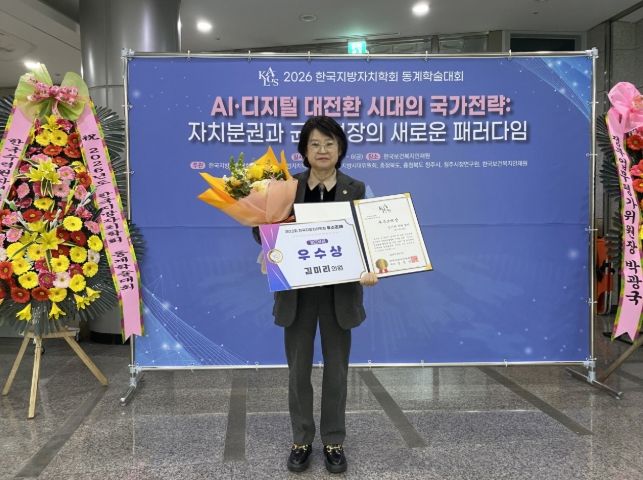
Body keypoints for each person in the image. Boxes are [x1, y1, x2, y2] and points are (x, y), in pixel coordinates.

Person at [255, 116, 378, 473]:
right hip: (297, 296)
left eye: (329, 143)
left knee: (337, 372)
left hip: (341, 296)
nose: (322, 150)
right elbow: (261, 231)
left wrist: (373, 268)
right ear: (304, 151)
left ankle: (334, 441)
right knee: (298, 373)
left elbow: (373, 238)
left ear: (340, 149)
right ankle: (301, 439)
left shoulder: (358, 189)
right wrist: (269, 243)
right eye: (315, 144)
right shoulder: (285, 188)